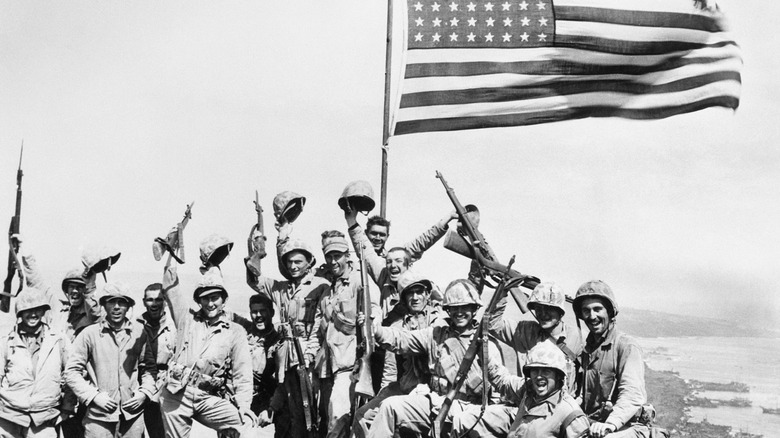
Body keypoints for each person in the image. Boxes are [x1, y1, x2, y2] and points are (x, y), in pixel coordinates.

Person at [365, 279, 500, 438]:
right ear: (448, 310)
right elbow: (402, 339)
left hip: (468, 411)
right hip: (436, 403)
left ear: (474, 309)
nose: (459, 312)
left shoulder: (485, 344)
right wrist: (376, 330)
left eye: (465, 307)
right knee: (390, 406)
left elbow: (497, 390)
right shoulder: (436, 335)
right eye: (454, 308)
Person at [474, 282, 584, 437]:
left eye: (549, 309)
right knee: (470, 419)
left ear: (560, 312)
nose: (543, 314)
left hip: (558, 409)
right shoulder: (527, 330)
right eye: (538, 309)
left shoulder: (577, 338)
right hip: (526, 401)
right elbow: (492, 325)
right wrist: (503, 292)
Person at [159, 261, 255, 438]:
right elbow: (171, 289)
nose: (210, 303)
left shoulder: (235, 331)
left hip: (208, 397)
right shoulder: (186, 319)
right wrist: (170, 258)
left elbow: (243, 373)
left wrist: (243, 406)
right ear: (198, 301)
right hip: (176, 394)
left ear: (224, 300)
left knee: (244, 426)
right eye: (205, 298)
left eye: (215, 298)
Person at [246, 232, 329, 438]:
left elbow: (320, 325)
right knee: (295, 415)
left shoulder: (321, 286)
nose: (293, 266)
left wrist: (310, 356)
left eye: (298, 261)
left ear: (309, 261)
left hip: (311, 358)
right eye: (289, 262)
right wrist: (255, 253)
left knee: (315, 414)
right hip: (288, 359)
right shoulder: (281, 289)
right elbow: (255, 280)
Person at [350, 270, 445, 438]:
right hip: (407, 385)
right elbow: (391, 365)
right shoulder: (397, 325)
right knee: (363, 416)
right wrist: (372, 328)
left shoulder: (441, 319)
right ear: (403, 298)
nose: (415, 297)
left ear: (427, 293)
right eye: (410, 293)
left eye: (419, 292)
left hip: (436, 389)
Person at [64, 283, 154, 438]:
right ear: (104, 305)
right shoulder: (89, 334)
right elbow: (72, 372)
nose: (117, 307)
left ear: (128, 306)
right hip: (99, 416)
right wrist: (93, 396)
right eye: (111, 302)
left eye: (122, 302)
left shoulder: (139, 334)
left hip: (132, 415)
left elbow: (149, 370)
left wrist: (144, 393)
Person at [573, 280, 649, 438]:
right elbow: (582, 395)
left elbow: (632, 395)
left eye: (597, 309)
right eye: (586, 310)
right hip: (595, 424)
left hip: (627, 425)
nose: (592, 316)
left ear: (609, 312)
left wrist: (610, 424)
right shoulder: (586, 350)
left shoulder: (626, 346)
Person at [0, 287, 73, 438]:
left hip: (45, 417)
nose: (33, 314)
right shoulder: (6, 341)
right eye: (27, 310)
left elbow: (73, 374)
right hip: (9, 416)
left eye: (38, 309)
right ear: (19, 313)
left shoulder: (58, 339)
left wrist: (67, 408)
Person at [481, 342, 589, 438]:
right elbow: (503, 380)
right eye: (534, 371)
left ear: (558, 376)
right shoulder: (528, 390)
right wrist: (483, 353)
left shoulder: (571, 414)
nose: (539, 376)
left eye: (546, 371)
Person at [138, 283, 176, 438]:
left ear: (165, 301)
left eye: (159, 300)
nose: (154, 304)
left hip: (167, 385)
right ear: (143, 301)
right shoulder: (136, 325)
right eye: (150, 300)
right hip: (142, 383)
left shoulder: (175, 325)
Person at [246, 294, 284, 437]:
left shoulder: (279, 341)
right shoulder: (244, 335)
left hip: (266, 402)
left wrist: (271, 409)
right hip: (243, 398)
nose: (258, 316)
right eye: (254, 312)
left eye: (263, 311)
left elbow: (282, 381)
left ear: (272, 313)